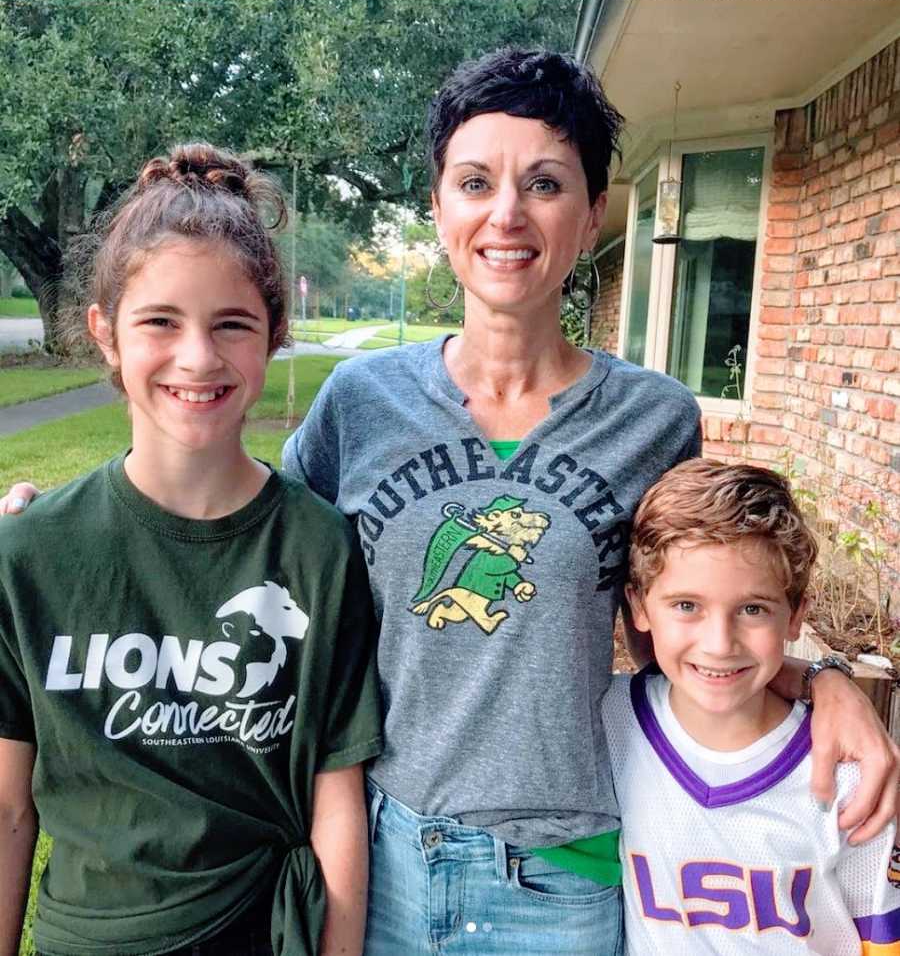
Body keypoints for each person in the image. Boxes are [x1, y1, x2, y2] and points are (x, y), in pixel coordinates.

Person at [3, 49, 897, 955]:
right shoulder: (361, 401)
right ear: (439, 210)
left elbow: (687, 612)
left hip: (562, 872)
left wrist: (820, 683)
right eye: (476, 182)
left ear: (591, 217)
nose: (506, 214)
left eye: (544, 184)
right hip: (382, 850)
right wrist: (61, 525)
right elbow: (246, 535)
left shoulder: (652, 418)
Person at [0, 144, 381, 956]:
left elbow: (335, 800)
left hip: (259, 932)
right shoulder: (29, 553)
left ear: (273, 334)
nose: (198, 357)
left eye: (232, 324)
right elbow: (6, 809)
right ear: (105, 333)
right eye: (160, 322)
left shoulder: (318, 547)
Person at [603, 458, 900, 954]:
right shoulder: (608, 723)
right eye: (686, 605)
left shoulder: (850, 778)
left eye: (753, 609)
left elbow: (881, 935)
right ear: (638, 606)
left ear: (795, 616)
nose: (720, 644)